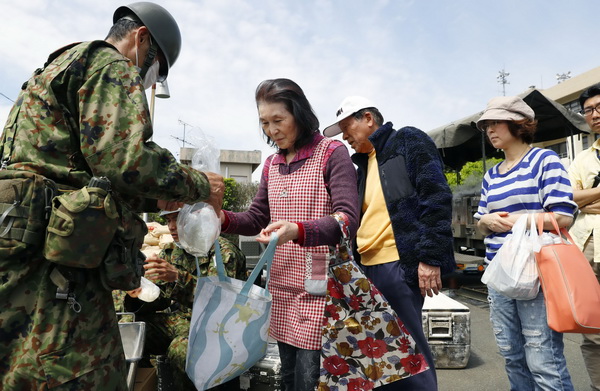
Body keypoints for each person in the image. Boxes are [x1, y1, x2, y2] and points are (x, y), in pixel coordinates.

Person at [0, 3, 225, 389]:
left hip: (24, 247)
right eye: (155, 71)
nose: (150, 83)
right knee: (80, 371)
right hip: (60, 263)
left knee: (22, 364)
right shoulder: (111, 65)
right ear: (141, 39)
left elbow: (87, 169)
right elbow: (126, 162)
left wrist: (157, 200)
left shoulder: (56, 70)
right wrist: (204, 186)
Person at [219, 78, 359, 391]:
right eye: (265, 123)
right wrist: (222, 219)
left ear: (299, 114)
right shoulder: (272, 164)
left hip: (321, 291)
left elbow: (347, 219)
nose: (272, 130)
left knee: (312, 379)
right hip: (282, 285)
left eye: (279, 120)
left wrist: (297, 230)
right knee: (288, 378)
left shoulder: (331, 153)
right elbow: (257, 218)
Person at [323, 95, 456, 390]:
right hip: (365, 272)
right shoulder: (361, 169)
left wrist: (430, 258)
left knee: (410, 352)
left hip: (398, 265)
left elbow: (436, 196)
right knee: (378, 355)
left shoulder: (407, 140)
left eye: (347, 127)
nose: (345, 137)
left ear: (368, 118)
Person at [474, 96, 577, 391]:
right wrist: (487, 222)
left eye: (495, 122)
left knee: (543, 358)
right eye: (487, 125)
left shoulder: (544, 160)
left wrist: (516, 219)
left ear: (518, 123)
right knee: (512, 355)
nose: (490, 130)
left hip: (537, 271)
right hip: (499, 273)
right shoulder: (491, 175)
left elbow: (563, 216)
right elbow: (481, 220)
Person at [120, 208, 246, 390]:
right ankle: (143, 383)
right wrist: (140, 294)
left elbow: (221, 304)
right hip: (184, 322)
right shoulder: (171, 252)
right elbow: (161, 299)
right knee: (130, 330)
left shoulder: (222, 253)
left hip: (218, 329)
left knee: (181, 348)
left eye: (178, 220)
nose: (172, 227)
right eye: (168, 220)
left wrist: (178, 278)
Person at [566, 83, 600, 391]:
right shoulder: (583, 159)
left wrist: (587, 198)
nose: (594, 114)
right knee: (593, 329)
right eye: (589, 110)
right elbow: (570, 198)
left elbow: (580, 197)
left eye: (599, 107)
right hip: (586, 246)